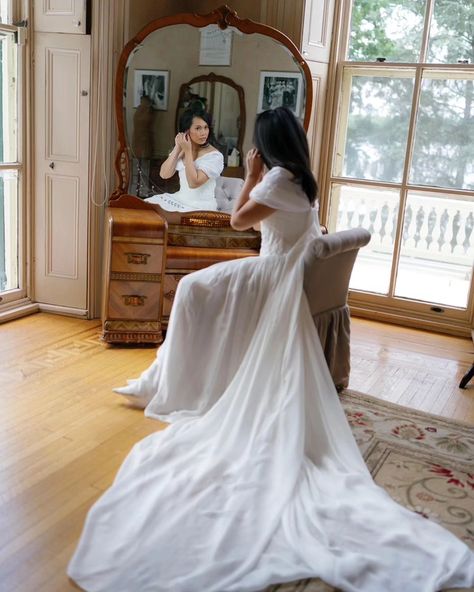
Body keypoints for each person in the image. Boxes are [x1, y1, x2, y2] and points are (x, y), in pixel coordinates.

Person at [68, 108, 474, 592]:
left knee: (193, 291)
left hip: (273, 275)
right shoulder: (303, 177)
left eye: (257, 144)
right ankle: (185, 373)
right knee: (200, 288)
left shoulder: (277, 179)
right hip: (284, 271)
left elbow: (239, 223)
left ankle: (184, 379)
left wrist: (253, 174)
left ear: (268, 145)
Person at [145, 107, 223, 212]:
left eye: (206, 127)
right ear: (186, 131)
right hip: (180, 199)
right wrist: (178, 148)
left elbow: (193, 183)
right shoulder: (182, 148)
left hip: (200, 206)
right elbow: (164, 174)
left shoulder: (214, 156)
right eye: (198, 128)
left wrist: (187, 151)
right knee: (147, 206)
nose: (204, 133)